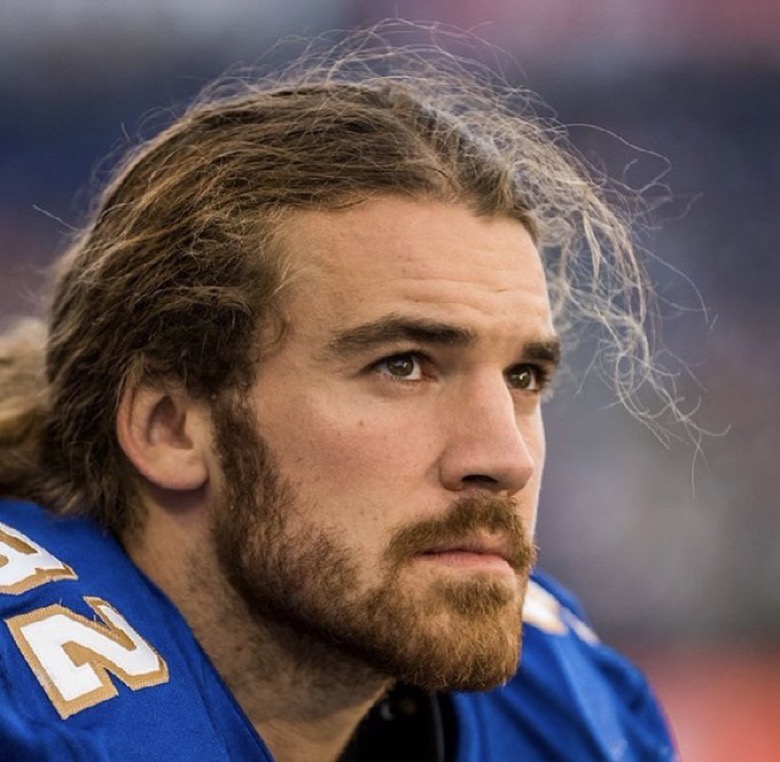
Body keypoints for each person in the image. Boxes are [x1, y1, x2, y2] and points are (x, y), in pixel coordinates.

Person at [0, 28, 678, 761]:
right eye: (404, 365)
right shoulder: (31, 723)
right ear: (171, 426)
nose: (506, 459)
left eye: (523, 378)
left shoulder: (570, 712)